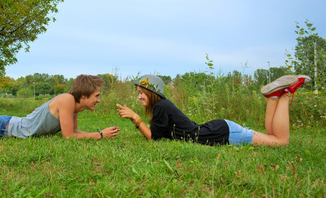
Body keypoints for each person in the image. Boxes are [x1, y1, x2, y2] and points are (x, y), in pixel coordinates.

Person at [116, 74, 311, 146]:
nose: (139, 96)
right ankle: (273, 97)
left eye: (142, 93)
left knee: (281, 142)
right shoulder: (161, 107)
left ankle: (285, 94)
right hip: (221, 129)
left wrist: (135, 118)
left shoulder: (160, 107)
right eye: (138, 92)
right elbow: (159, 135)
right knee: (272, 136)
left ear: (153, 93)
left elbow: (155, 139)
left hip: (222, 133)